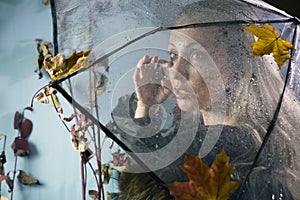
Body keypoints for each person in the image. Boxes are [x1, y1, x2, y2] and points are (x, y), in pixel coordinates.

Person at [111, 0, 300, 199]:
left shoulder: (221, 154)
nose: (176, 71)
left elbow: (138, 187)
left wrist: (144, 110)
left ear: (239, 62)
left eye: (196, 55)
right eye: (173, 54)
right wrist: (145, 106)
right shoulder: (254, 140)